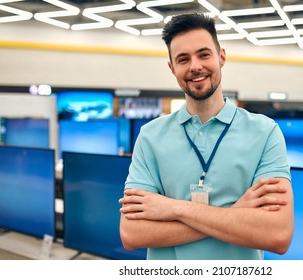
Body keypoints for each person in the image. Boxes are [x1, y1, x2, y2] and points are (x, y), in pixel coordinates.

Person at [119, 12, 293, 260]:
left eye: (204, 54)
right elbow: (132, 233)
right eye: (183, 59)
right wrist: (236, 213)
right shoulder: (150, 136)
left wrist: (173, 208)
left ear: (221, 56)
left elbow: (277, 234)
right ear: (172, 68)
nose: (195, 66)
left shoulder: (265, 132)